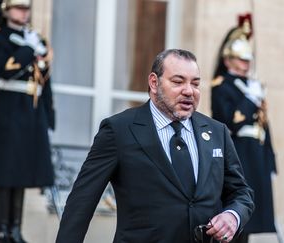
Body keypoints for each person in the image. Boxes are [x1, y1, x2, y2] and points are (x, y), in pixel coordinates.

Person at [55, 49, 254, 243]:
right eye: (178, 82)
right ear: (153, 82)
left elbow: (241, 192)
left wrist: (233, 215)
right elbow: (82, 201)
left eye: (195, 83)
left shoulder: (216, 131)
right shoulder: (118, 130)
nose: (189, 91)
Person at [0, 0, 56, 242]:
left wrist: (48, 113)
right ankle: (1, 231)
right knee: (3, 172)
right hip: (8, 110)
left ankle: (15, 230)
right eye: (19, 7)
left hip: (31, 111)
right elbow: (5, 68)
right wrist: (28, 50)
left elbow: (44, 80)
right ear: (6, 10)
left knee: (21, 171)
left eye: (26, 8)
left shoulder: (37, 38)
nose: (24, 12)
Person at [211, 14, 278, 243]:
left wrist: (270, 159)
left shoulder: (251, 85)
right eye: (241, 59)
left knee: (252, 219)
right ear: (228, 59)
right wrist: (250, 99)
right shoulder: (222, 85)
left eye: (248, 59)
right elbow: (231, 121)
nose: (246, 64)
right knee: (238, 211)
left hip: (256, 155)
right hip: (240, 155)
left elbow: (263, 125)